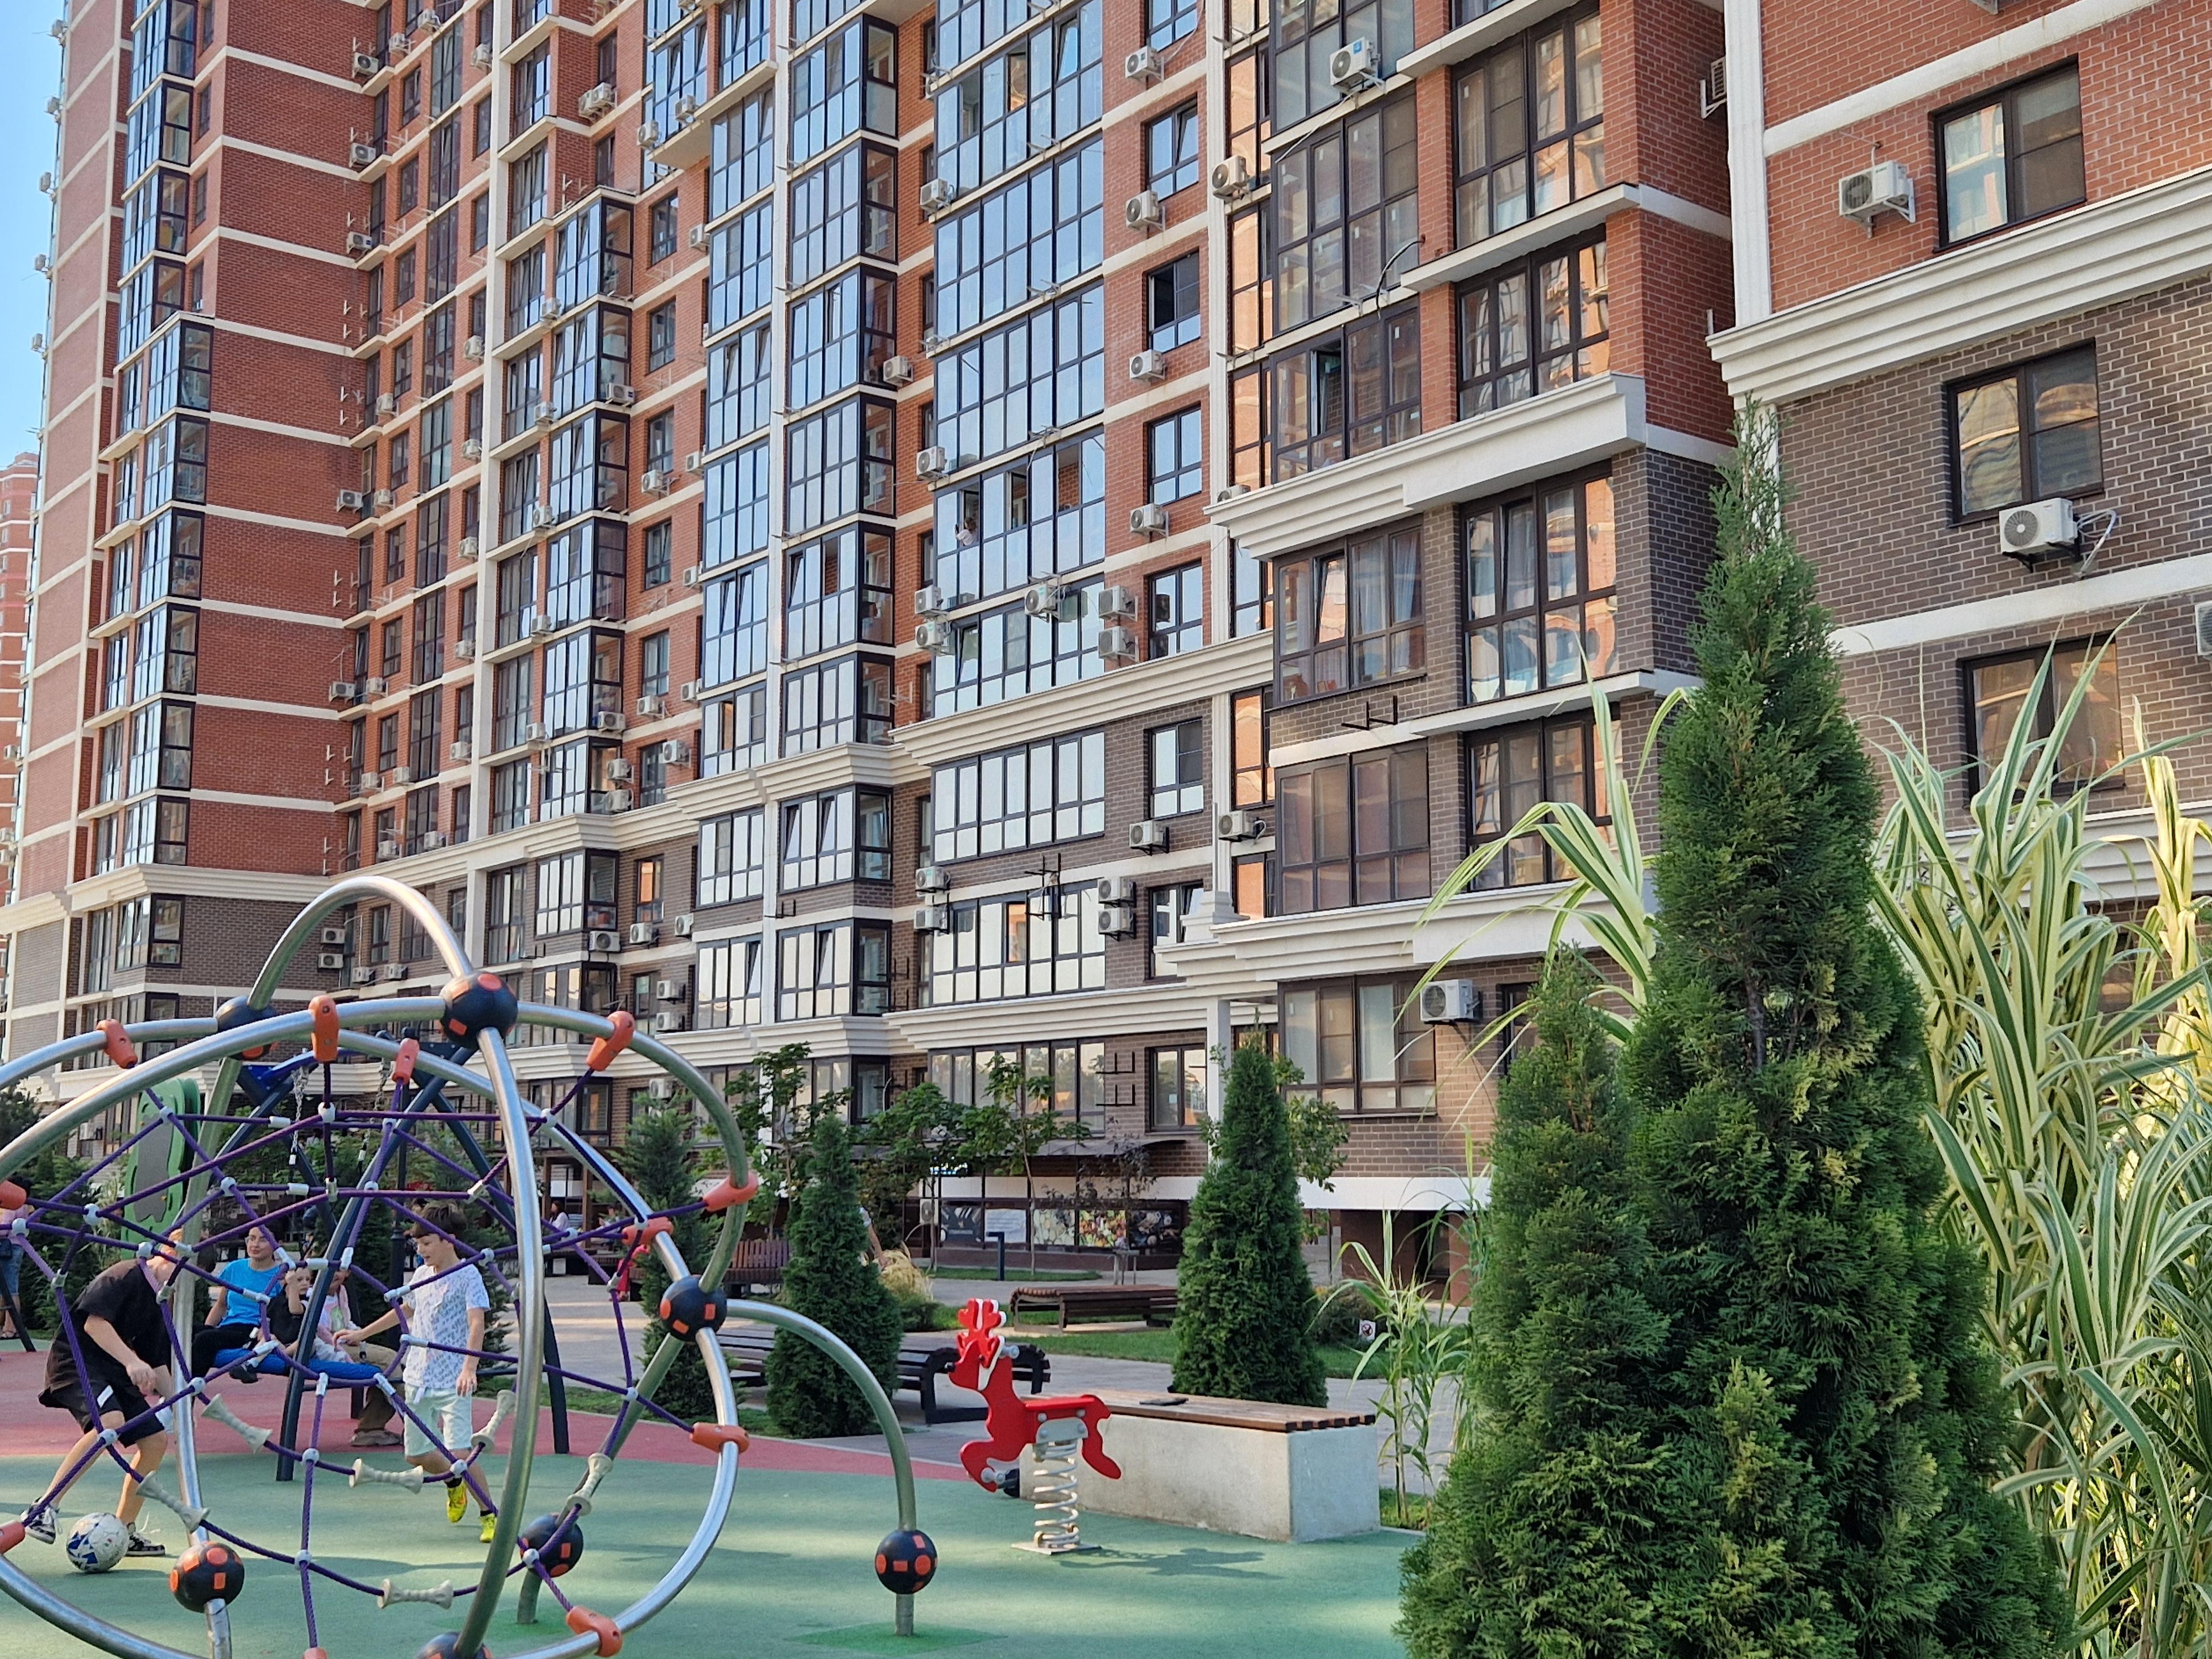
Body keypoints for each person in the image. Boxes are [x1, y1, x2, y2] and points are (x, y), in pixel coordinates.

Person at [337, 1203, 495, 1541]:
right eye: (417, 1244)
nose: (420, 1250)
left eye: (426, 1243)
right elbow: (407, 1309)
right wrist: (362, 1334)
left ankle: (489, 1513)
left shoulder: (468, 1275)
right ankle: (454, 1481)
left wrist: (469, 1367)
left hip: (453, 1379)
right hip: (419, 1376)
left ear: (449, 1240)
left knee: (461, 1453)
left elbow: (476, 1323)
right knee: (415, 1454)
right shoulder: (423, 1275)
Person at [22, 1240, 182, 1554]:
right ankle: (44, 1507)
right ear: (168, 1255)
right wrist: (131, 1361)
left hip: (113, 1371)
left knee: (155, 1440)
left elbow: (157, 1361)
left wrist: (181, 1403)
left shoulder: (160, 1299)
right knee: (110, 1422)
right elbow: (94, 1324)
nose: (183, 1283)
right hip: (77, 1364)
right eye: (184, 1273)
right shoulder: (124, 1275)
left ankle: (125, 1529)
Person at [268, 1263, 401, 1448]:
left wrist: (356, 1333)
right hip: (328, 1348)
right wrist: (292, 1285)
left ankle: (371, 1428)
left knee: (392, 1365)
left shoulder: (341, 1293)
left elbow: (345, 1322)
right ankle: (414, 1422)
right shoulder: (311, 1295)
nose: (333, 1274)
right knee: (389, 1359)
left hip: (344, 1342)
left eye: (339, 1270)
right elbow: (309, 1322)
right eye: (329, 1269)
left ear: (347, 1273)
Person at [190, 1224, 285, 1376]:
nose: (255, 1244)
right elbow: (221, 1305)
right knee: (185, 1332)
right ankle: (167, 1381)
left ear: (278, 1245)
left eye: (263, 1240)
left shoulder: (281, 1277)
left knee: (204, 1339)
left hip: (252, 1331)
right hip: (229, 1326)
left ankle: (188, 1387)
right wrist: (207, 1327)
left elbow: (282, 1316)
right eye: (252, 1239)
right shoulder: (234, 1268)